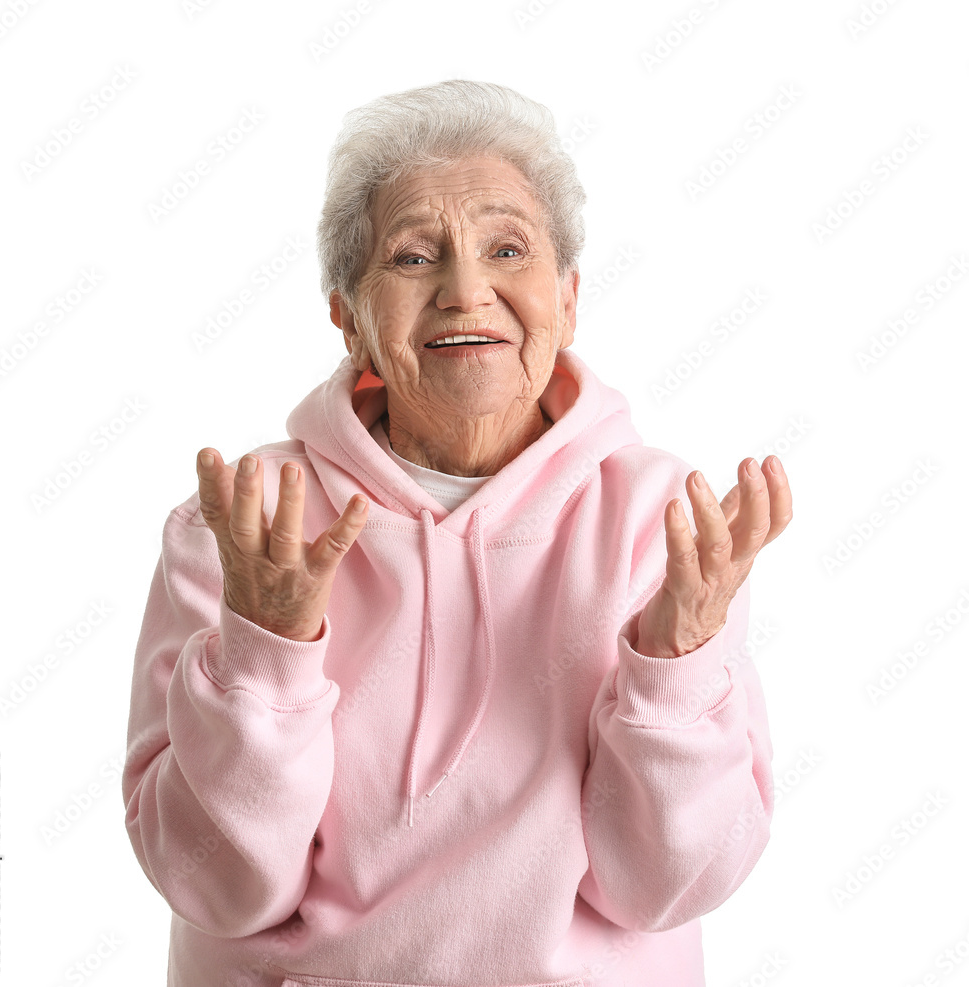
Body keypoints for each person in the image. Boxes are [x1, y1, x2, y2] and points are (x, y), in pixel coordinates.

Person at [122, 79, 792, 987]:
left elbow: (670, 886)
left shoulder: (665, 521)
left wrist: (672, 668)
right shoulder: (245, 523)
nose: (465, 289)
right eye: (411, 257)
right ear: (346, 314)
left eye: (507, 248)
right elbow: (219, 886)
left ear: (568, 295)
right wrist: (264, 653)